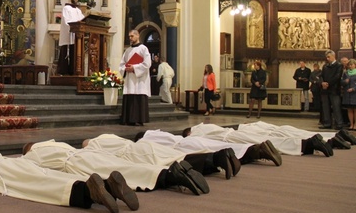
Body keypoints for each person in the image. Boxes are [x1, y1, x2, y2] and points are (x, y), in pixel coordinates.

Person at [0, 143, 137, 213]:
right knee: (46, 175)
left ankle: (89, 193)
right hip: (13, 162)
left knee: (40, 186)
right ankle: (108, 186)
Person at [23, 139, 210, 196]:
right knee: (127, 166)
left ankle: (171, 175)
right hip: (87, 155)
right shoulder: (58, 144)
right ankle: (176, 172)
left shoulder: (34, 154)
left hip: (79, 163)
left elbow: (38, 171)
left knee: (126, 172)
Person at [83, 133, 242, 180]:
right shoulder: (109, 136)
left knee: (177, 162)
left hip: (136, 153)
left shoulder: (95, 145)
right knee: (180, 156)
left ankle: (216, 159)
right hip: (142, 146)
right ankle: (217, 157)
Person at [189, 122, 355, 157]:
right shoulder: (207, 126)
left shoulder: (196, 132)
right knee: (280, 134)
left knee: (275, 141)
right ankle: (331, 138)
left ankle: (309, 144)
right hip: (239, 131)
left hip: (236, 135)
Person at [137, 129, 283, 167]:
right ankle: (258, 149)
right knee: (224, 146)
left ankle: (258, 151)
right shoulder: (156, 134)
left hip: (185, 146)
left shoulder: (145, 140)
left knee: (217, 152)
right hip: (189, 141)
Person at [119, 30, 151, 125]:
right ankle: (129, 119)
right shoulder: (127, 50)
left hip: (140, 79)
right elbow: (122, 64)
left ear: (137, 36)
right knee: (130, 96)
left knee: (139, 97)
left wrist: (134, 68)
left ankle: (139, 119)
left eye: (132, 36)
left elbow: (147, 63)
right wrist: (125, 68)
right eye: (129, 36)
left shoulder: (143, 49)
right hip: (130, 78)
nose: (130, 38)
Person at [57, 0, 85, 75]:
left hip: (76, 35)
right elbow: (66, 21)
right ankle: (63, 71)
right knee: (66, 52)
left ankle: (73, 71)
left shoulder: (78, 10)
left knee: (75, 53)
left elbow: (82, 20)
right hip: (69, 34)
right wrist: (74, 27)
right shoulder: (66, 8)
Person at [320, 50, 344, 130]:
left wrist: (328, 83)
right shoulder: (325, 66)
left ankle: (339, 123)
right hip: (325, 89)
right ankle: (327, 123)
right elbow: (321, 76)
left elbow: (337, 77)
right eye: (326, 57)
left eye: (329, 57)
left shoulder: (339, 65)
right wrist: (322, 83)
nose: (327, 59)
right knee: (325, 107)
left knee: (336, 107)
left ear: (333, 56)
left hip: (334, 89)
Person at [341, 58, 356, 130]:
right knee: (349, 109)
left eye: (352, 65)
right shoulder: (346, 73)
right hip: (347, 94)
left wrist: (353, 89)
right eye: (349, 65)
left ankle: (355, 124)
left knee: (355, 109)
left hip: (354, 94)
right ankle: (351, 124)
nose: (350, 66)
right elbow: (341, 82)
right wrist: (345, 82)